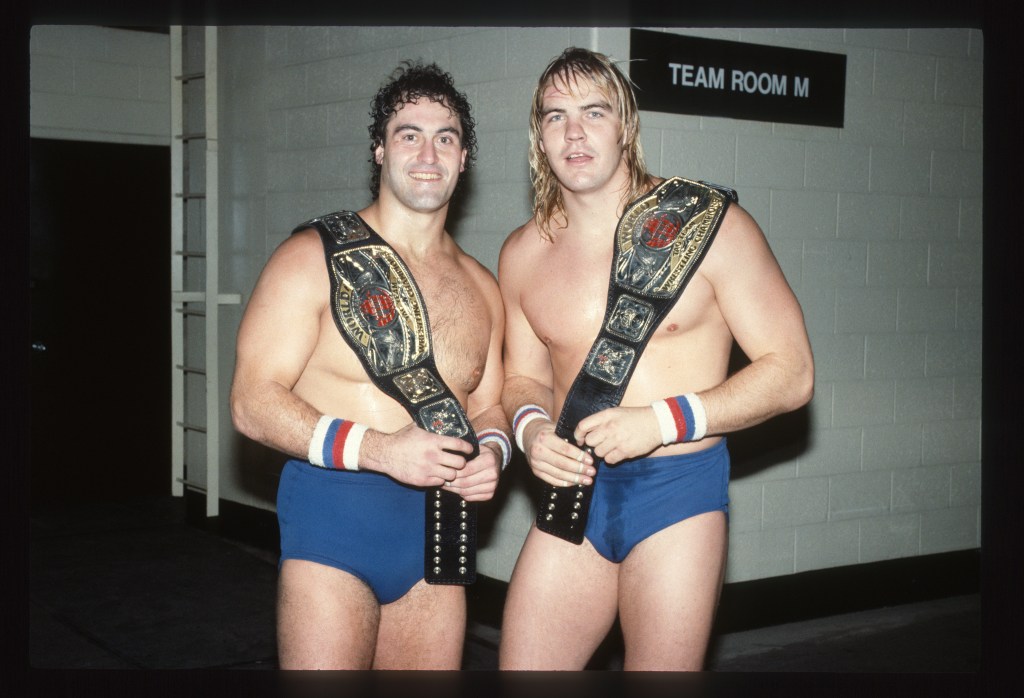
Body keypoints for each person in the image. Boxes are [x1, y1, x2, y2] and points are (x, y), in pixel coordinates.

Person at [497, 47, 814, 671]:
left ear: (626, 125)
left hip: (676, 495)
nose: (575, 132)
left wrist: (661, 421)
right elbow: (521, 377)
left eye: (594, 111)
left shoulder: (713, 227)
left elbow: (792, 372)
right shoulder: (522, 253)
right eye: (555, 116)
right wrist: (531, 430)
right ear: (538, 134)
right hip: (572, 494)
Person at [230, 61, 509, 670]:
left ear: (465, 159)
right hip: (334, 526)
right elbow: (252, 402)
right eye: (409, 134)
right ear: (379, 149)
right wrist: (382, 450)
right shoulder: (311, 257)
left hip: (438, 533)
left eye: (447, 137)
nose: (428, 152)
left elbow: (490, 406)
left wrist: (494, 453)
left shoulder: (482, 288)